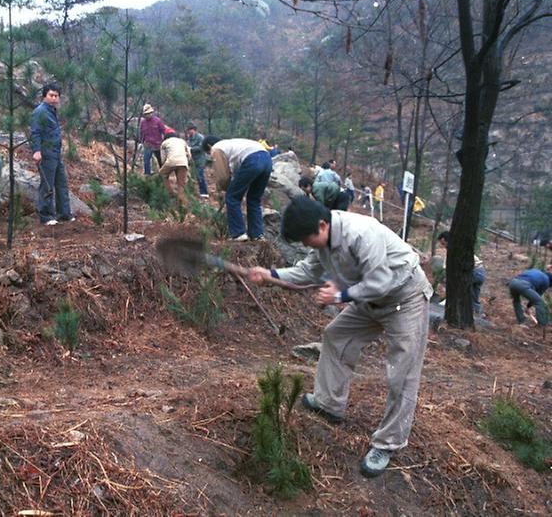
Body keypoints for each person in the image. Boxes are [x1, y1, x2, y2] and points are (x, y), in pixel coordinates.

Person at [248, 195, 433, 477]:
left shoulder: (361, 233)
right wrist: (271, 274)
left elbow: (381, 281)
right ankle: (329, 403)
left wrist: (341, 295)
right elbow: (307, 271)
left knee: (402, 372)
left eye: (307, 240)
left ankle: (387, 443)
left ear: (322, 225)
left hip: (404, 297)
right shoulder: (322, 238)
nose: (307, 245)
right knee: (336, 335)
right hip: (369, 299)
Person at [204, 136, 272, 241]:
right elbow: (237, 174)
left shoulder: (216, 148)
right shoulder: (232, 146)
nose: (211, 157)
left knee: (232, 197)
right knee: (254, 199)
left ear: (209, 146)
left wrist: (226, 190)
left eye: (209, 154)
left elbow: (223, 177)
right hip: (267, 160)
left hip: (252, 159)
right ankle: (257, 234)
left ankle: (238, 233)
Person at [32, 83, 73, 226]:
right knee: (47, 185)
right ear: (45, 96)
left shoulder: (52, 111)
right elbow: (35, 132)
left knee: (61, 184)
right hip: (46, 153)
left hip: (56, 153)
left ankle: (64, 213)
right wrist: (36, 151)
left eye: (56, 96)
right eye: (51, 95)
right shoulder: (40, 112)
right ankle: (46, 216)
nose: (54, 98)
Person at [437, 231, 486, 315]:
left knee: (458, 287)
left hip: (473, 272)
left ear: (447, 241)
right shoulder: (461, 247)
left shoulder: (454, 251)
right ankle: (478, 314)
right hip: (481, 271)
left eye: (443, 243)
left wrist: (445, 279)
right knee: (474, 295)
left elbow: (447, 269)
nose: (443, 246)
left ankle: (450, 304)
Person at [159, 131, 190, 202]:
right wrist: (187, 162)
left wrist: (164, 166)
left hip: (171, 161)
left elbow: (163, 158)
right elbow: (188, 153)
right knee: (181, 183)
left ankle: (170, 194)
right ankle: (181, 201)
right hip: (183, 162)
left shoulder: (164, 143)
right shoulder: (182, 141)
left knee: (162, 175)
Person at [139, 104, 165, 175]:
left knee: (160, 160)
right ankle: (147, 175)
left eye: (149, 113)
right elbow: (141, 133)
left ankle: (163, 174)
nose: (148, 115)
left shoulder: (158, 121)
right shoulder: (143, 122)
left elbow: (163, 131)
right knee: (146, 160)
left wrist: (163, 142)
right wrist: (142, 142)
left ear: (151, 113)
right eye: (146, 114)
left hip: (157, 144)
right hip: (148, 144)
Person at [186, 123, 208, 198]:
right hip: (193, 161)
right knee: (192, 177)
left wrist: (191, 149)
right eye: (188, 130)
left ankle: (204, 193)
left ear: (195, 130)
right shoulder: (189, 138)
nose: (189, 132)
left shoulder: (200, 137)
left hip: (200, 160)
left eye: (191, 130)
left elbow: (201, 148)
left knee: (200, 176)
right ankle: (193, 193)